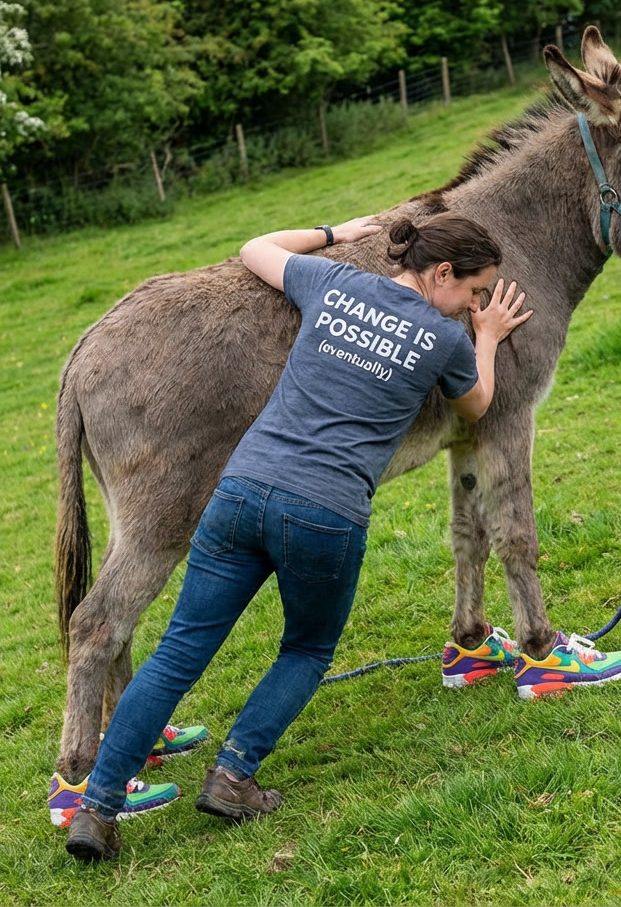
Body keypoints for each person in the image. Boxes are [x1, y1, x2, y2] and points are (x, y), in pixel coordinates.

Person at [64, 212, 533, 862]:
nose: (477, 304)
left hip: (241, 492)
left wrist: (336, 232)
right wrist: (485, 336)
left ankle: (97, 808)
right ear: (443, 274)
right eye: (475, 291)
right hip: (325, 515)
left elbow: (252, 245)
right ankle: (232, 775)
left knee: (177, 653)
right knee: (308, 648)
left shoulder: (333, 284)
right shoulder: (445, 338)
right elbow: (478, 405)